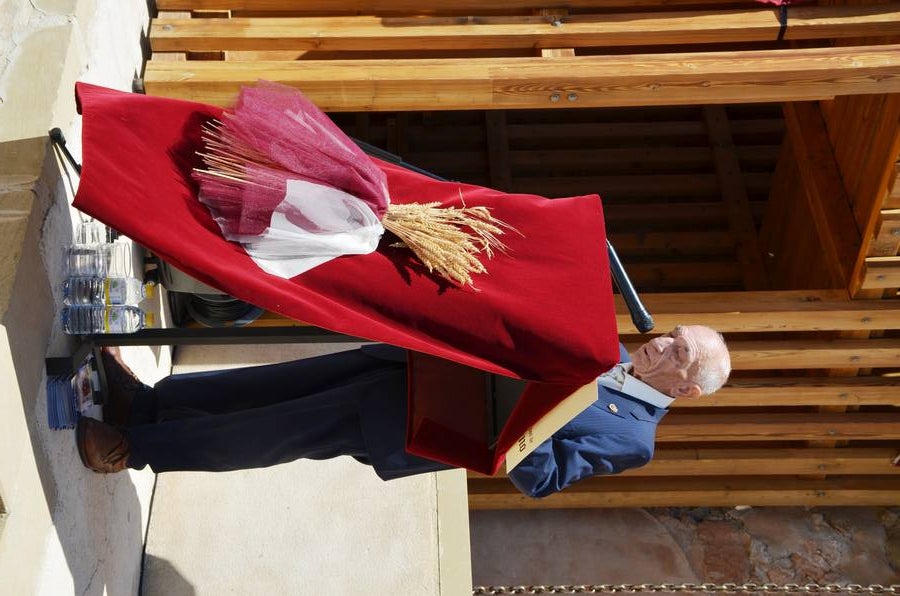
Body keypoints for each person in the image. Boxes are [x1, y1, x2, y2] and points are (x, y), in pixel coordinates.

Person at [76, 325, 730, 498]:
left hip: (423, 426)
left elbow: (543, 477)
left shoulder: (634, 438)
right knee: (272, 389)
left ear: (687, 389)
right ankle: (150, 405)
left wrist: (547, 412)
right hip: (413, 370)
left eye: (681, 350)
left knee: (270, 433)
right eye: (673, 333)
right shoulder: (604, 344)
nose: (663, 343)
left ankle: (136, 450)